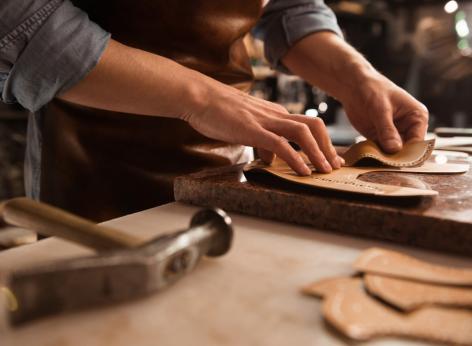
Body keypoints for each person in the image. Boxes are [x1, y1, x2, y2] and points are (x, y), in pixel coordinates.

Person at [0, 0, 428, 221]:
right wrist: (202, 98)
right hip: (96, 176)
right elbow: (20, 17)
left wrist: (358, 77)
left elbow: (288, 7)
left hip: (233, 174)